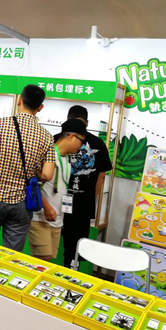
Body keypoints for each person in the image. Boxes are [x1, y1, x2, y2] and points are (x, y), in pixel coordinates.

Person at [0, 84, 55, 252]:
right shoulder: (47, 137)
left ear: (19, 100)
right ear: (40, 107)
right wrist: (34, 171)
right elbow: (48, 175)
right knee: (12, 253)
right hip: (22, 201)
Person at [28, 119, 87, 261]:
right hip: (40, 216)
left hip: (57, 219)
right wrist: (47, 207)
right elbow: (32, 184)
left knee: (47, 261)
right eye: (81, 141)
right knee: (43, 258)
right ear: (71, 136)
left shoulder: (67, 159)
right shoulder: (48, 155)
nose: (81, 146)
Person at [62, 105, 112, 269]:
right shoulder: (98, 143)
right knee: (76, 246)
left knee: (51, 240)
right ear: (87, 122)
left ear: (68, 120)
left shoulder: (58, 139)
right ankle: (71, 272)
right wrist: (92, 196)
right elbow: (102, 176)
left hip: (57, 201)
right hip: (83, 203)